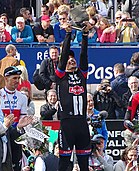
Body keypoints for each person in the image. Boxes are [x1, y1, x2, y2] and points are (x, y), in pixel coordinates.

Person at [55, 22, 91, 171]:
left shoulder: (82, 74)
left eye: (73, 58)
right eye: (69, 59)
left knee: (84, 163)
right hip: (67, 123)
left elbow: (84, 55)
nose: (71, 60)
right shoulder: (60, 75)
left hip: (82, 122)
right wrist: (68, 34)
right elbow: (63, 58)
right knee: (64, 163)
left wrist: (84, 35)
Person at [0, 66, 28, 171]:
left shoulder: (23, 97)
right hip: (2, 135)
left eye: (18, 78)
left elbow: (23, 119)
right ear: (6, 79)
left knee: (15, 165)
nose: (17, 81)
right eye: (14, 78)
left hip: (16, 136)